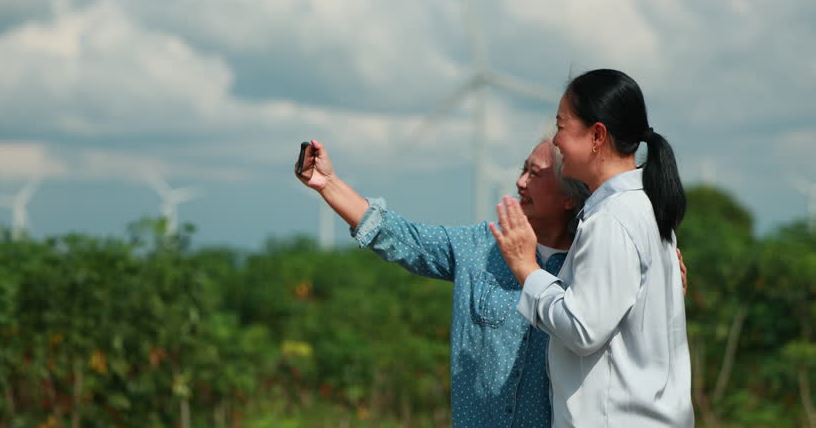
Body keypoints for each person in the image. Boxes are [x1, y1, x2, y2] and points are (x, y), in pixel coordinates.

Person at [294, 135, 688, 427]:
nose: (519, 182)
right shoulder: (480, 246)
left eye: (534, 174)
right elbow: (402, 237)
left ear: (570, 196)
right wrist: (327, 183)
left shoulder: (603, 263)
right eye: (522, 169)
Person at [491, 69, 694, 427]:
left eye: (561, 126)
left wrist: (527, 269)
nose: (555, 141)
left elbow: (583, 329)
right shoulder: (643, 205)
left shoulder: (612, 219)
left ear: (597, 135)